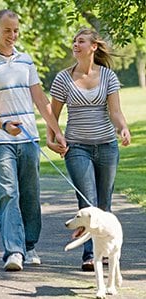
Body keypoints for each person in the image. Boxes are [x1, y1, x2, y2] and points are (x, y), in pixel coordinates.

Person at [0, 9, 66, 272]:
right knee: (8, 194)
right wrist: (3, 124)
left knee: (30, 195)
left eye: (16, 30)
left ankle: (30, 246)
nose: (12, 35)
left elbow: (40, 100)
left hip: (28, 140)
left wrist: (56, 130)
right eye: (7, 30)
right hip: (0, 140)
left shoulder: (26, 62)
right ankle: (14, 251)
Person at [47, 28, 131, 272]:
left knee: (104, 204)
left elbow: (115, 112)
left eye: (81, 41)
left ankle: (105, 252)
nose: (75, 44)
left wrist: (123, 129)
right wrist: (50, 139)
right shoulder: (63, 78)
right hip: (77, 148)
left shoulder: (108, 77)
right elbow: (52, 115)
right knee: (88, 202)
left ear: (93, 46)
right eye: (74, 41)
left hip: (106, 146)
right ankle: (90, 254)